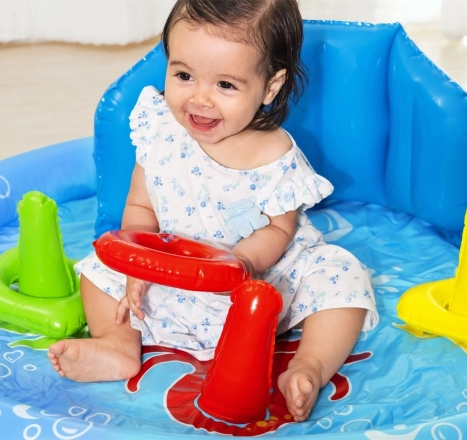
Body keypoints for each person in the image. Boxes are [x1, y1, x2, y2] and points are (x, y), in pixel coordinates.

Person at [48, 0, 378, 422]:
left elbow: (279, 231)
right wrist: (138, 266)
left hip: (257, 287)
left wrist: (240, 264)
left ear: (270, 87)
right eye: (184, 76)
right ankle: (118, 344)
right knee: (98, 267)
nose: (199, 99)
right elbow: (140, 205)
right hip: (170, 275)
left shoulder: (274, 156)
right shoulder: (160, 130)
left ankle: (309, 366)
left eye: (225, 85)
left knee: (342, 273)